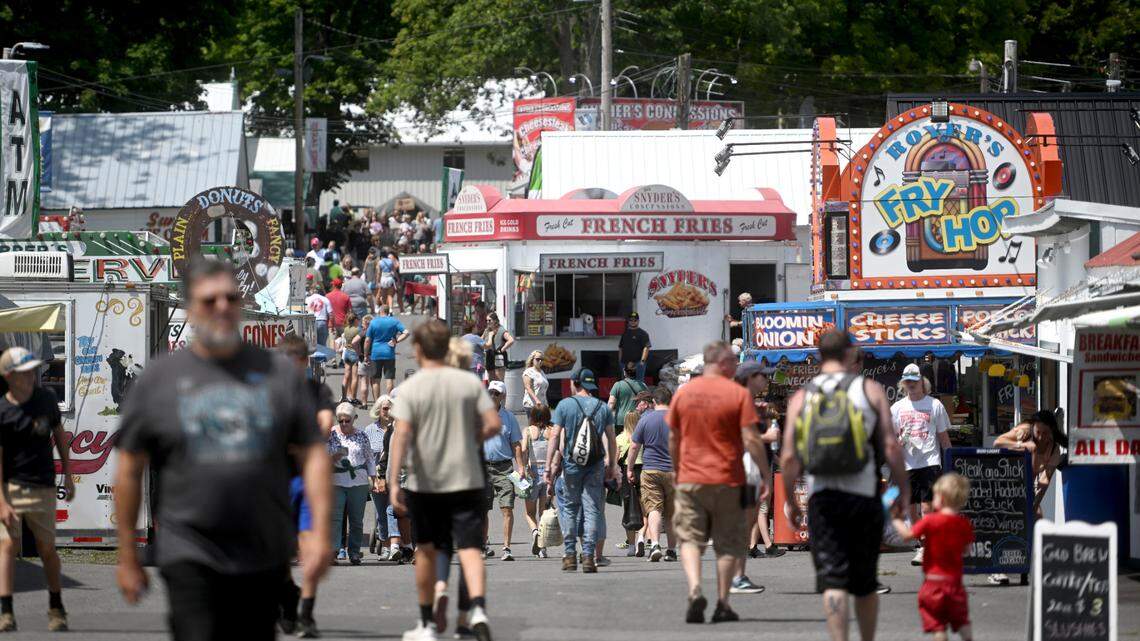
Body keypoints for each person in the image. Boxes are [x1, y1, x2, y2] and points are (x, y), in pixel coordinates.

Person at [114, 260, 333, 640]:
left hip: (261, 548)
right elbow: (129, 468)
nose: (221, 307)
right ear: (190, 308)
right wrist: (127, 554)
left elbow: (313, 454)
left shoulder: (279, 375)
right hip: (189, 546)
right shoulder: (159, 379)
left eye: (230, 298)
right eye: (209, 299)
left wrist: (320, 533)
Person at [781, 330, 909, 641]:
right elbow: (891, 446)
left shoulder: (802, 396)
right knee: (865, 582)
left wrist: (791, 501)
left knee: (833, 581)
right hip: (864, 496)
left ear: (819, 355)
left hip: (822, 498)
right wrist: (903, 491)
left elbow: (789, 456)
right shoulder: (869, 389)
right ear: (850, 353)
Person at [386, 320, 502, 641]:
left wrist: (393, 481)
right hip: (467, 477)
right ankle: (477, 608)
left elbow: (401, 436)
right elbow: (493, 424)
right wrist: (470, 440)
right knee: (470, 549)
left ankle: (426, 622)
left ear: (419, 349)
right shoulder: (468, 384)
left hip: (425, 481)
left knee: (427, 550)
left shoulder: (411, 388)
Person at [666, 341, 772, 623]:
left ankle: (695, 589)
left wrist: (677, 470)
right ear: (723, 363)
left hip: (691, 478)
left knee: (690, 538)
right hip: (728, 479)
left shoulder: (684, 393)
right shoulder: (737, 394)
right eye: (734, 361)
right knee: (728, 543)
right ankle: (723, 603)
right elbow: (751, 439)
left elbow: (673, 437)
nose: (737, 365)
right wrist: (765, 475)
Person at [0, 347, 74, 632]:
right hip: (11, 487)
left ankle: (56, 607)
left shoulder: (46, 399)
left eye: (32, 370)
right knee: (7, 547)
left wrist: (68, 474)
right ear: (9, 376)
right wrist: (2, 500)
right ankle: (6, 612)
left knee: (46, 548)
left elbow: (59, 435)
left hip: (42, 486)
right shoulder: (3, 410)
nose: (31, 375)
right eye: (24, 372)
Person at [277, 334, 336, 637]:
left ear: (303, 362)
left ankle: (306, 613)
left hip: (307, 477)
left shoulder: (316, 390)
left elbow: (325, 424)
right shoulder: (269, 393)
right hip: (277, 479)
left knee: (311, 547)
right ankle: (289, 595)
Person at [544, 369, 618, 573]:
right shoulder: (603, 407)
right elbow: (611, 438)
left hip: (571, 465)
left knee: (570, 508)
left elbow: (555, 436)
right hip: (595, 465)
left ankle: (569, 555)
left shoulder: (564, 405)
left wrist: (549, 466)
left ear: (575, 383)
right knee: (592, 509)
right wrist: (612, 465)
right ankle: (588, 557)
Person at [891, 473, 974, 641]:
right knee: (962, 621)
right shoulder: (964, 524)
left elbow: (907, 536)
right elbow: (966, 551)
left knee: (938, 625)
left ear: (940, 499)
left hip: (933, 585)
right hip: (955, 585)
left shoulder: (930, 522)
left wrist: (896, 520)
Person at [989, 410, 1065, 585]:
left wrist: (1034, 505)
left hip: (1025, 488)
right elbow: (998, 442)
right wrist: (1021, 445)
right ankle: (998, 570)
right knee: (1007, 523)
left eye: (1046, 433)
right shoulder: (1024, 430)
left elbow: (1044, 482)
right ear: (1033, 427)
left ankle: (1034, 567)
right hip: (1005, 483)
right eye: (1039, 432)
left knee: (1037, 521)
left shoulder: (1054, 449)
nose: (1041, 437)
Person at [729, 361, 782, 595]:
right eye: (762, 376)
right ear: (750, 378)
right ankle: (736, 576)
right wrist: (767, 437)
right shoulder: (743, 400)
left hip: (743, 465)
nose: (766, 380)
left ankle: (737, 575)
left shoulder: (741, 399)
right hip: (746, 465)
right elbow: (747, 438)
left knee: (746, 521)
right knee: (744, 521)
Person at [891, 362, 952, 566]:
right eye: (907, 381)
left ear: (922, 383)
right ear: (903, 383)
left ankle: (926, 548)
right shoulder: (897, 408)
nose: (911, 384)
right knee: (910, 510)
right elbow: (890, 438)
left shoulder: (935, 405)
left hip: (929, 461)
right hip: (907, 464)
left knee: (926, 507)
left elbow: (944, 438)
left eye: (914, 381)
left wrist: (952, 462)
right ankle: (923, 543)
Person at [628, 385, 677, 564]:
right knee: (672, 513)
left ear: (654, 401)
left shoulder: (645, 419)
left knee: (654, 509)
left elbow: (634, 446)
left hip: (650, 470)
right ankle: (671, 550)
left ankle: (655, 544)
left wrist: (629, 468)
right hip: (674, 471)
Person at [329, 403, 378, 566]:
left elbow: (369, 458)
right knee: (335, 518)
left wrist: (374, 479)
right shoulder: (331, 434)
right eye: (341, 421)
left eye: (347, 421)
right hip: (336, 482)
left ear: (354, 419)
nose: (344, 424)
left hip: (358, 482)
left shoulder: (362, 435)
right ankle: (333, 551)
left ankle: (354, 552)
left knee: (356, 520)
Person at [483, 380, 525, 561]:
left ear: (502, 396)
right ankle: (483, 545)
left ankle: (506, 547)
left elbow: (516, 444)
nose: (492, 396)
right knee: (482, 509)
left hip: (504, 468)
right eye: (490, 392)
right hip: (483, 467)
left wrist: (521, 467)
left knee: (507, 508)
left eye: (496, 393)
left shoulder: (509, 418)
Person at [363, 396, 403, 561]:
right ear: (378, 410)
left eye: (391, 408)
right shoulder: (369, 430)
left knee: (392, 510)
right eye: (385, 408)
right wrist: (371, 478)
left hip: (395, 476)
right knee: (381, 514)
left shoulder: (399, 427)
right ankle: (386, 547)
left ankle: (395, 546)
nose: (388, 411)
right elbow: (366, 456)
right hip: (377, 476)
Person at [520, 405, 554, 558]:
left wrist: (525, 468)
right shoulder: (551, 431)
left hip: (533, 473)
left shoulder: (528, 431)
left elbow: (523, 450)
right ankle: (543, 549)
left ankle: (535, 533)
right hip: (548, 473)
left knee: (529, 513)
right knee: (543, 513)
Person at [364, 306, 409, 397]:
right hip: (389, 353)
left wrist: (365, 355)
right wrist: (397, 341)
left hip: (376, 353)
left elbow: (367, 340)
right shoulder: (394, 321)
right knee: (389, 379)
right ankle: (389, 400)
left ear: (380, 311)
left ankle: (377, 401)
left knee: (376, 380)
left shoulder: (373, 322)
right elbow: (406, 332)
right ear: (388, 312)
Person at [609, 360, 648, 433]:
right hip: (636, 419)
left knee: (620, 439)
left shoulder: (618, 385)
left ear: (624, 372)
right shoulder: (643, 386)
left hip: (621, 420)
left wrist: (606, 417)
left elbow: (611, 403)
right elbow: (647, 403)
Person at [617, 312, 651, 382]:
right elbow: (620, 347)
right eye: (631, 320)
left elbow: (646, 348)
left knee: (639, 383)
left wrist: (642, 361)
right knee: (625, 383)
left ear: (638, 321)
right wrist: (620, 361)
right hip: (625, 364)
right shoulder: (625, 333)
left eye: (635, 320)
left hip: (638, 363)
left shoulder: (643, 333)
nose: (633, 322)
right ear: (628, 321)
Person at [481, 313, 514, 382]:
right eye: (486, 320)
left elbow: (511, 340)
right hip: (489, 354)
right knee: (491, 379)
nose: (488, 322)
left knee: (499, 380)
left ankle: (500, 389)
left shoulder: (501, 330)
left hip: (498, 355)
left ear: (495, 320)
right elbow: (481, 340)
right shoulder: (487, 330)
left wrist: (503, 349)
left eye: (489, 320)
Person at [341, 312, 361, 405]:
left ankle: (344, 396)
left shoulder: (346, 329)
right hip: (354, 352)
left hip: (347, 352)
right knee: (354, 377)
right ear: (355, 320)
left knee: (346, 376)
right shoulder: (357, 330)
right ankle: (353, 397)